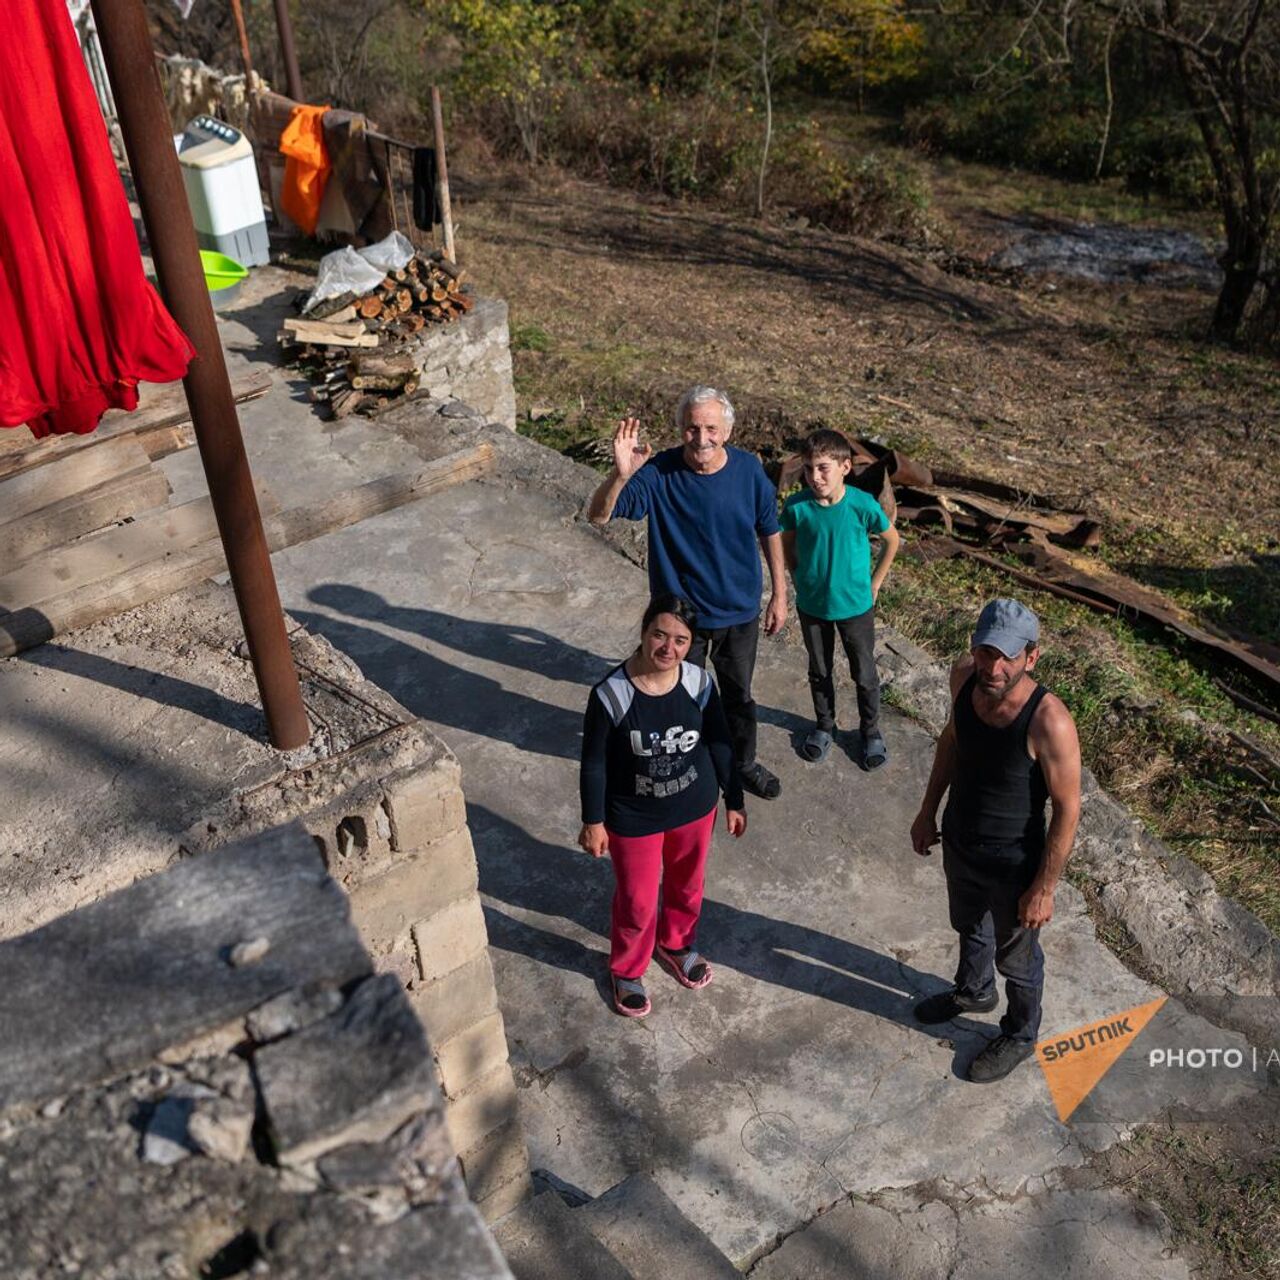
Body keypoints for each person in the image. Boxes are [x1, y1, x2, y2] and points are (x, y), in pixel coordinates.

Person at [909, 599, 1081, 1083]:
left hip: (1014, 863)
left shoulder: (1050, 721)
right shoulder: (964, 678)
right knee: (968, 924)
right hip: (961, 839)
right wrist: (927, 811)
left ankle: (1021, 1033)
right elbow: (952, 740)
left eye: (1007, 656)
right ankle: (974, 991)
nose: (994, 666)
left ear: (1032, 657)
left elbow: (1068, 808)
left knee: (1019, 960)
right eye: (986, 651)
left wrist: (1044, 888)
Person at [587, 385, 787, 800]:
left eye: (711, 428)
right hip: (681, 621)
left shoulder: (749, 472)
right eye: (692, 428)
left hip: (738, 612)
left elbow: (770, 530)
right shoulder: (658, 473)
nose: (701, 438)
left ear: (727, 431)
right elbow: (600, 516)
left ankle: (742, 763)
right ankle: (691, 765)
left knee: (738, 696)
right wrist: (621, 475)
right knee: (679, 699)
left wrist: (780, 595)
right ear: (681, 429)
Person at [579, 595, 746, 1018]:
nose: (667, 648)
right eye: (659, 634)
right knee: (636, 900)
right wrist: (593, 820)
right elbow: (594, 762)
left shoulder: (698, 684)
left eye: (680, 640)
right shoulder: (611, 695)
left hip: (695, 806)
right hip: (633, 817)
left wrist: (735, 798)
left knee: (687, 884)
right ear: (643, 632)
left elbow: (721, 743)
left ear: (691, 645)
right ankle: (628, 969)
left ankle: (675, 944)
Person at [780, 428, 900, 769]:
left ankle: (871, 731)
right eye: (808, 469)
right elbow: (787, 544)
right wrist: (797, 576)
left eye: (822, 468)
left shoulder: (862, 505)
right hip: (812, 606)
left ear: (845, 467)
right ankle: (824, 726)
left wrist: (875, 582)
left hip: (856, 607)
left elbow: (892, 541)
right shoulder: (797, 507)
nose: (814, 477)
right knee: (819, 669)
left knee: (864, 673)